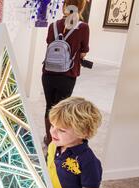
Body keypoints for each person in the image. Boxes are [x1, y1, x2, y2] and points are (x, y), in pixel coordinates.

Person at [41, 0, 89, 146]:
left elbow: (50, 43)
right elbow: (83, 53)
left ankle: (49, 140)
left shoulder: (53, 25)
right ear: (80, 8)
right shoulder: (83, 27)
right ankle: (56, 142)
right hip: (67, 75)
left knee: (49, 106)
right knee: (61, 109)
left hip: (48, 73)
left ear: (64, 6)